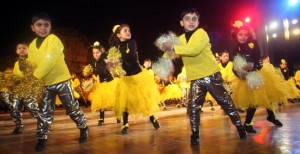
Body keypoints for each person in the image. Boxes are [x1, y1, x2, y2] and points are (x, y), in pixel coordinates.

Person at [160, 8, 247, 145]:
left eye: (194, 19)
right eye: (187, 19)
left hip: (211, 75)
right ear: (181, 23)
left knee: (225, 102)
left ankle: (240, 127)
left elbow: (193, 50)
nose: (191, 21)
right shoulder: (180, 39)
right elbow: (169, 53)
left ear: (198, 22)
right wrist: (164, 63)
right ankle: (195, 134)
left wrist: (172, 48)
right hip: (195, 78)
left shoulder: (202, 33)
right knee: (193, 107)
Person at [27, 12, 88, 151]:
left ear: (50, 26)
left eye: (46, 25)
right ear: (32, 27)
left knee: (71, 108)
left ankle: (83, 127)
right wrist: (28, 76)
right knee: (44, 111)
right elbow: (31, 64)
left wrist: (35, 76)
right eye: (39, 25)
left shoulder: (54, 40)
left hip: (62, 80)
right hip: (45, 83)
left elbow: (49, 60)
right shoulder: (31, 45)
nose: (43, 28)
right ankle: (42, 137)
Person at [230, 20, 287, 135]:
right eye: (240, 34)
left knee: (268, 96)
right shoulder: (236, 50)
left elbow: (257, 59)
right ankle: (247, 124)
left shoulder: (254, 43)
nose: (243, 37)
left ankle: (271, 116)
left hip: (259, 72)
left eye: (246, 35)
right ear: (236, 35)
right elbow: (235, 66)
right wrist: (240, 73)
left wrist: (250, 66)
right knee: (254, 101)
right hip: (248, 77)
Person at [107, 24, 161, 134]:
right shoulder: (114, 49)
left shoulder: (132, 43)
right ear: (118, 35)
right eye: (125, 30)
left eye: (129, 30)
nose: (128, 32)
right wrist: (112, 66)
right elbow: (112, 64)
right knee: (125, 102)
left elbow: (130, 56)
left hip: (138, 76)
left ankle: (152, 117)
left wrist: (117, 60)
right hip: (126, 79)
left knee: (144, 99)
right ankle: (125, 124)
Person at [10, 42, 40, 135]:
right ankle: (19, 127)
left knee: (33, 109)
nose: (22, 49)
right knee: (14, 109)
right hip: (18, 90)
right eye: (19, 48)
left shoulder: (32, 61)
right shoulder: (16, 63)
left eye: (24, 48)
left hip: (28, 89)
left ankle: (43, 124)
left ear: (28, 50)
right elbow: (15, 75)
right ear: (16, 51)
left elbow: (36, 74)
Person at [88, 41, 120, 126]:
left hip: (110, 83)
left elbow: (102, 70)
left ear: (101, 52)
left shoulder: (104, 58)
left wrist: (92, 71)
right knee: (101, 102)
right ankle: (101, 119)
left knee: (115, 101)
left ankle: (118, 116)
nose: (96, 54)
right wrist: (88, 70)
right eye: (94, 53)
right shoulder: (94, 61)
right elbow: (91, 68)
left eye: (97, 52)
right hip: (102, 84)